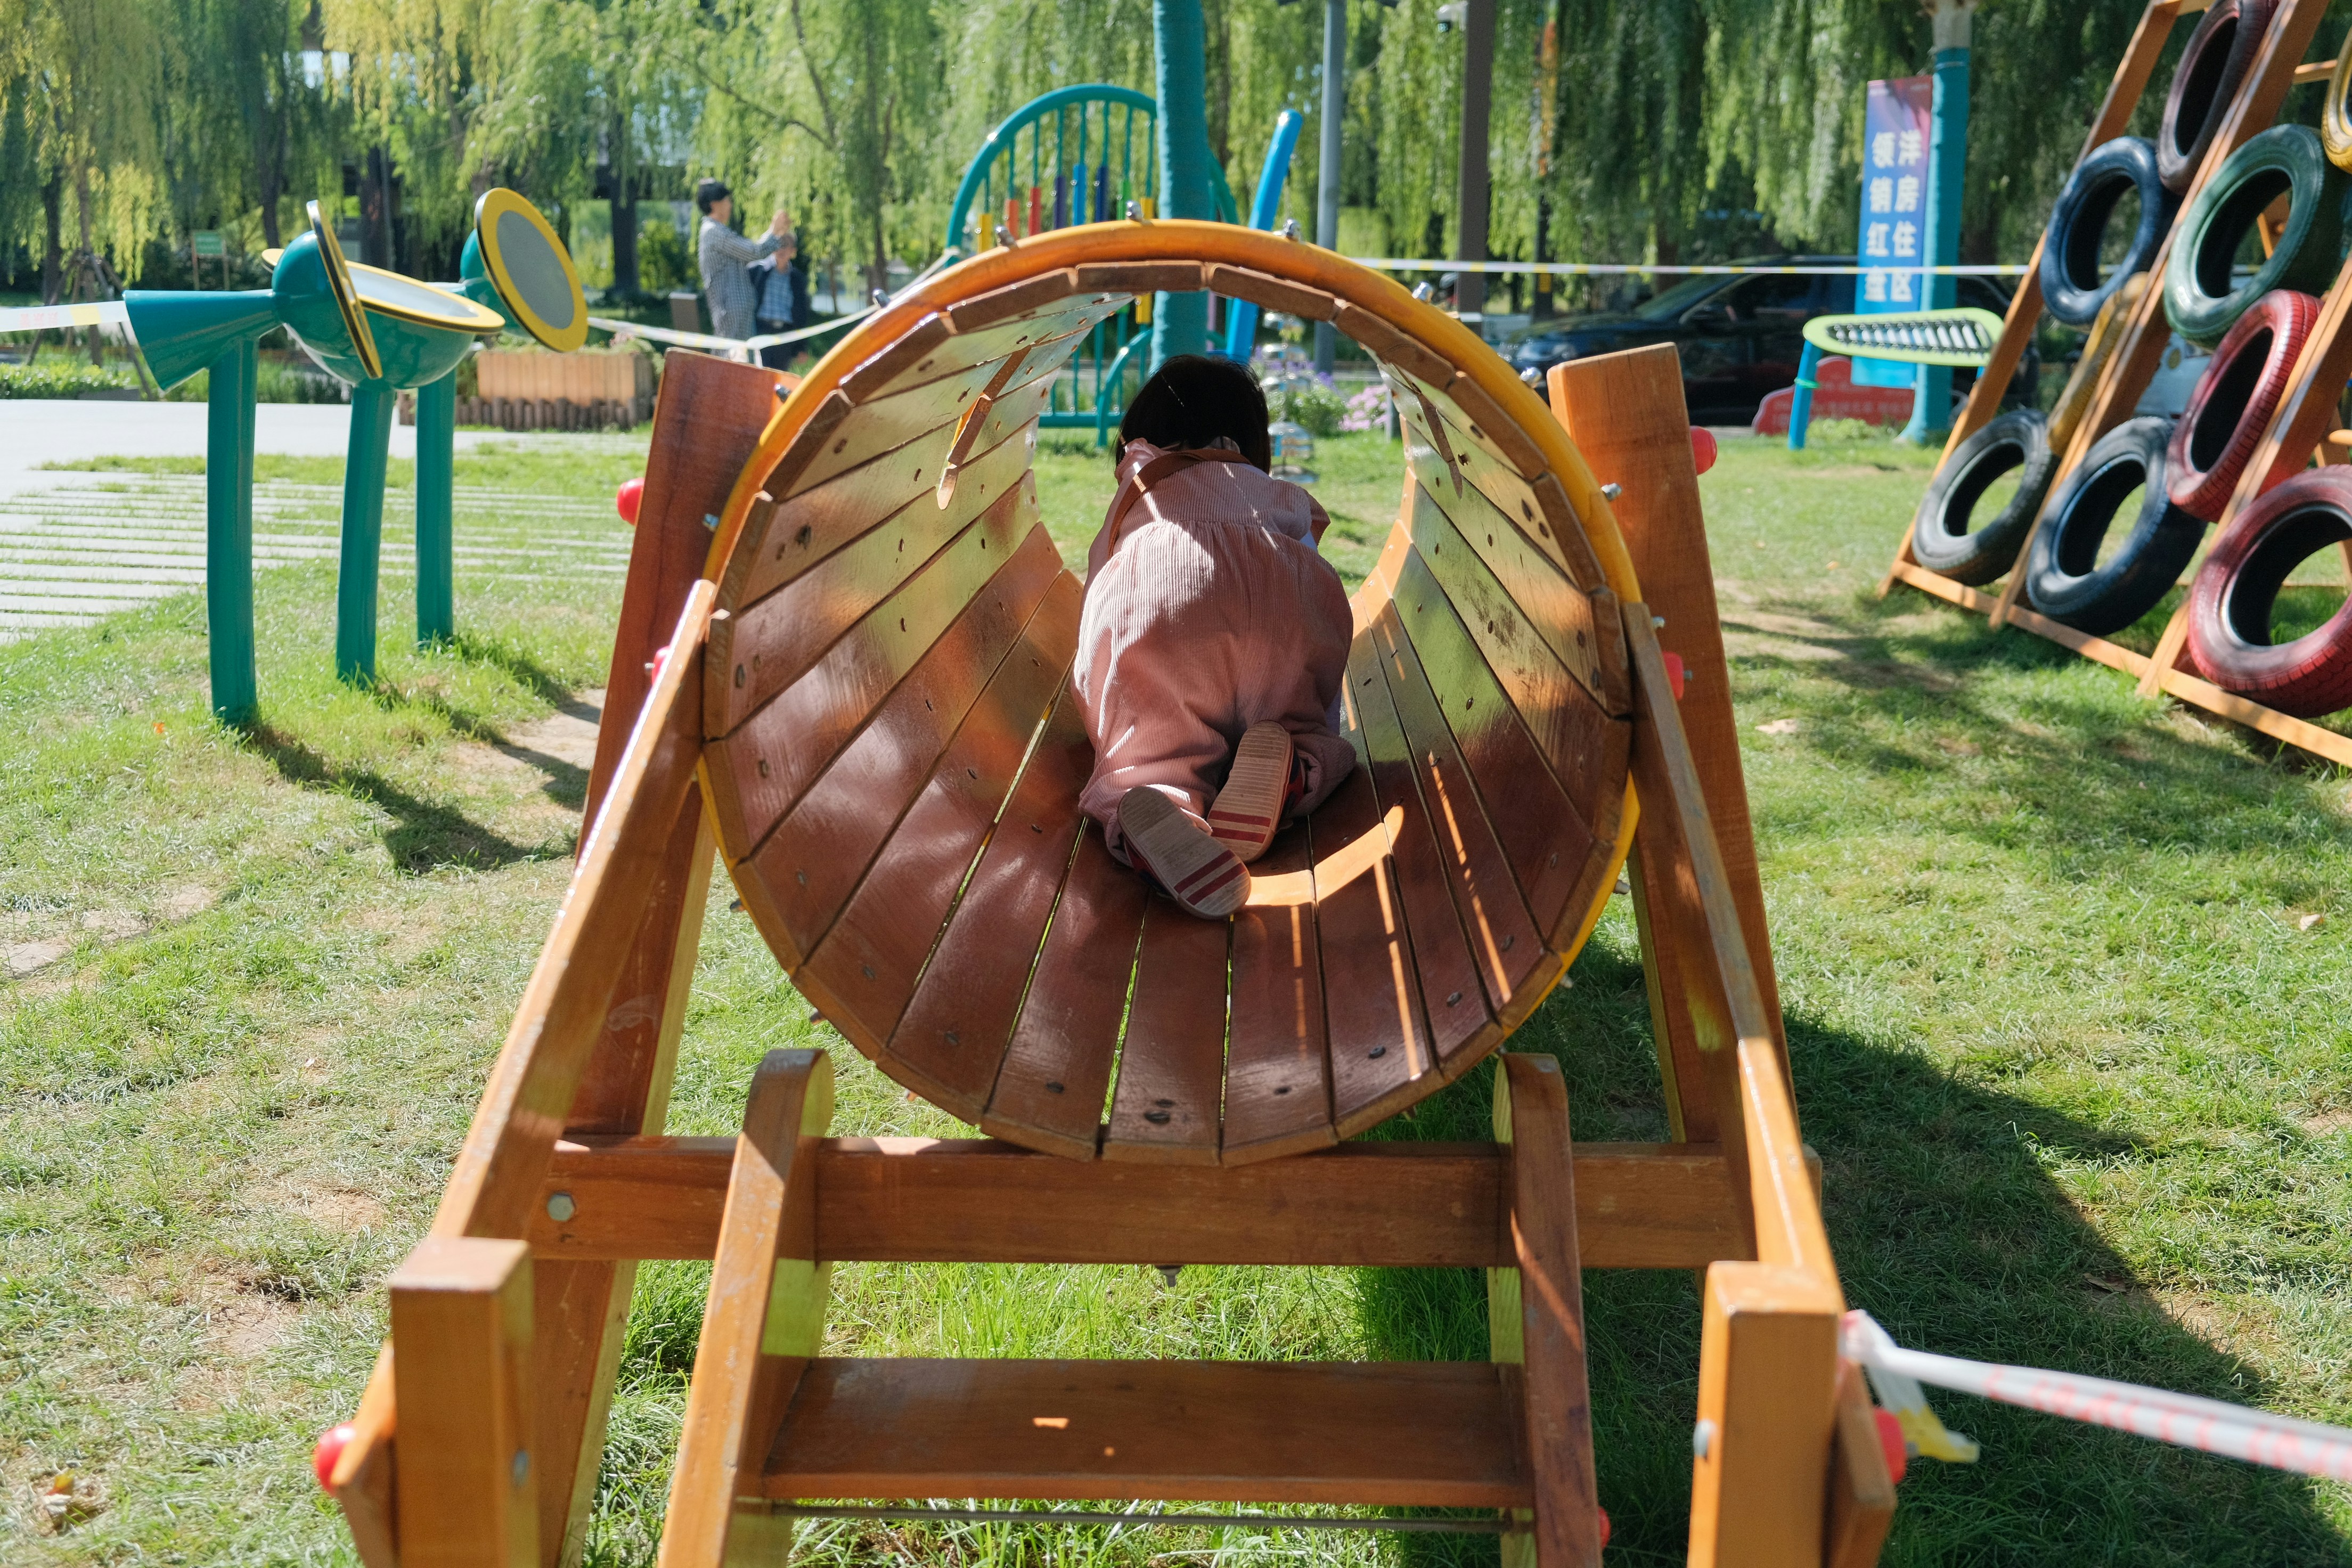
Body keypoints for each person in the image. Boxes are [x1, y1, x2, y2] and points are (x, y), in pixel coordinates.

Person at [1074, 354, 1357, 919]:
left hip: (1166, 599)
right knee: (1306, 727)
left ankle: (1161, 804)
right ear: (1252, 441)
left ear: (1139, 436)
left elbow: (1103, 586)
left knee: (1148, 753)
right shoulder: (1267, 486)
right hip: (1289, 598)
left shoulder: (1143, 469)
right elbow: (1310, 549)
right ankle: (1294, 770)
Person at [693, 177, 792, 344]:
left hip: (735, 312)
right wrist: (774, 231)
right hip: (731, 312)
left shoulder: (715, 231)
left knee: (738, 363)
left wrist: (775, 234)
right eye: (727, 201)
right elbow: (755, 252)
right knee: (731, 363)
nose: (730, 205)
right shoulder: (714, 232)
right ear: (715, 204)